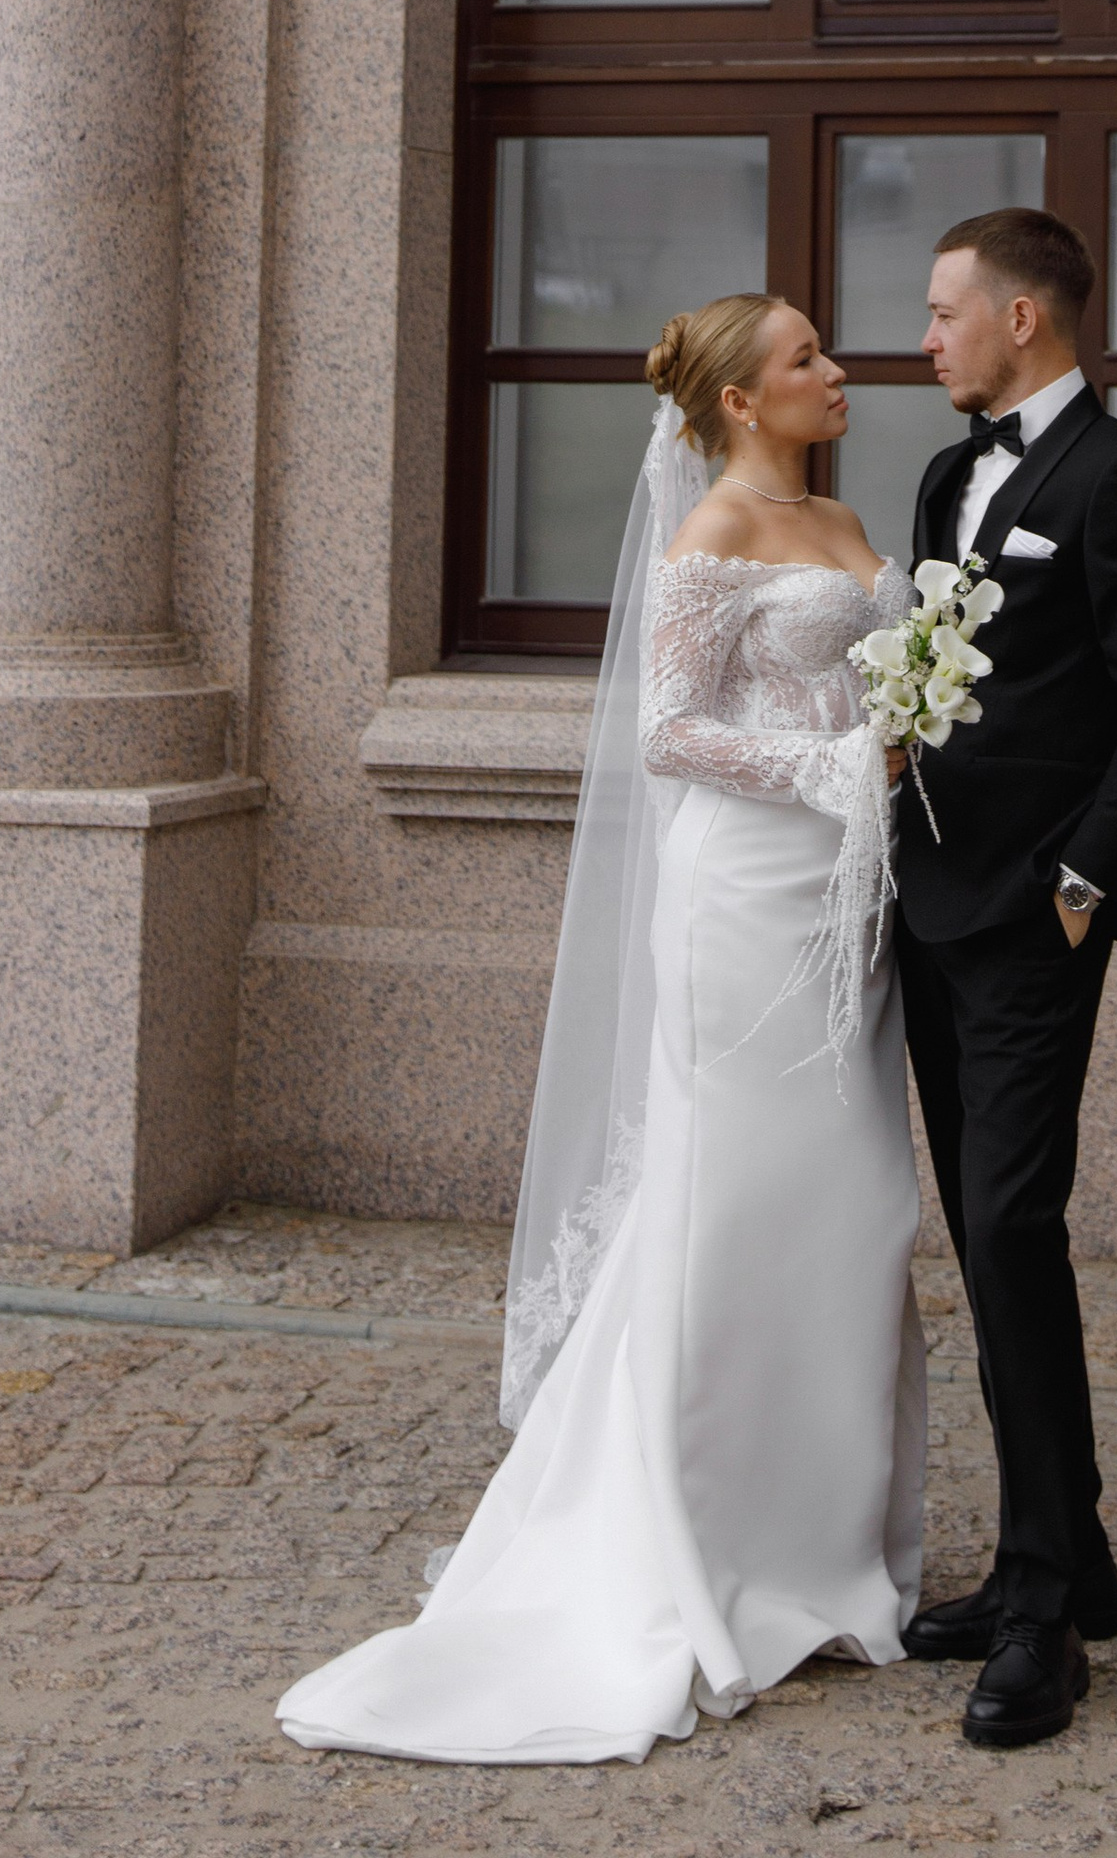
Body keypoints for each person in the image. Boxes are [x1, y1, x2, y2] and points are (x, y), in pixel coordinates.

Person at [276, 294, 922, 1767]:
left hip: (846, 898)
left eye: (827, 351)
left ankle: (828, 1543)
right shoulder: (708, 540)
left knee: (858, 1203)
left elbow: (864, 684)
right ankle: (703, 1543)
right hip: (743, 902)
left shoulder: (845, 514)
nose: (838, 372)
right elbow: (667, 731)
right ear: (745, 402)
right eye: (807, 358)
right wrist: (835, 761)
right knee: (734, 1207)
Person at [892, 207, 1117, 1750]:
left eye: (946, 312)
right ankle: (1068, 1558)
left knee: (1015, 1223)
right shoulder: (947, 473)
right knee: (982, 1228)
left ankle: (1037, 1621)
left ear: (1023, 316)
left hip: (1035, 922)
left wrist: (1088, 883)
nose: (926, 337)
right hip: (925, 912)